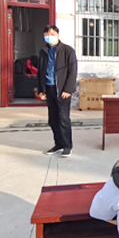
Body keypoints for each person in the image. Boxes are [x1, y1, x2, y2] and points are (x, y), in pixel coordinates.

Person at [39, 25, 78, 158]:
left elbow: (73, 71)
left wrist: (68, 89)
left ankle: (67, 146)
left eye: (52, 34)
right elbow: (40, 71)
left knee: (63, 119)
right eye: (47, 34)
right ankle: (58, 144)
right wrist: (41, 89)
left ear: (58, 35)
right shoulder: (43, 51)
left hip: (62, 90)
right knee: (53, 119)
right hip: (49, 88)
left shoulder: (67, 50)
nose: (49, 36)